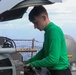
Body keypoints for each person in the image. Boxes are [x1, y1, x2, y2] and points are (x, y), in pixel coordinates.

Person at [25, 5, 72, 75]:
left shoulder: (54, 31)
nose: (35, 26)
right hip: (54, 71)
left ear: (44, 17)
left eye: (36, 23)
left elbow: (53, 60)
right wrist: (28, 62)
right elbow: (43, 52)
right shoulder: (48, 31)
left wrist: (33, 64)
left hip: (61, 72)